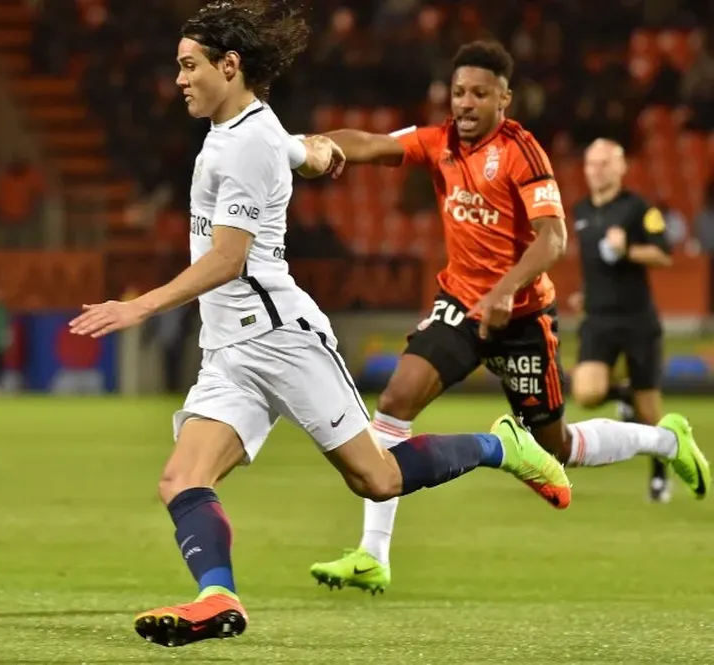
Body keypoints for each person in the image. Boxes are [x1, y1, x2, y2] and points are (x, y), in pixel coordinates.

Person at [70, 4, 572, 648]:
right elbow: (306, 153)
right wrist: (318, 153)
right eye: (178, 67)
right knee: (180, 479)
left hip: (280, 338)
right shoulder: (246, 131)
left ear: (231, 67)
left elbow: (228, 259)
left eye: (190, 66)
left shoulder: (246, 143)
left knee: (378, 476)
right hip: (228, 347)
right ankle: (218, 598)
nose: (180, 80)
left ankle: (502, 447)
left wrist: (140, 305)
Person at [309, 40, 709, 595]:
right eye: (458, 93)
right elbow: (372, 145)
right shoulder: (439, 141)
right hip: (460, 306)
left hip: (522, 317)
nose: (465, 103)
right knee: (396, 402)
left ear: (504, 99)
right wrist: (312, 147)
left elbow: (554, 239)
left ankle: (667, 440)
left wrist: (505, 290)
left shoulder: (523, 152)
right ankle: (373, 555)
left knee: (559, 446)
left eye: (479, 93)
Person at [569, 139, 675, 502]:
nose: (596, 170)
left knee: (650, 410)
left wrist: (626, 249)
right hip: (598, 319)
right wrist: (586, 293)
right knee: (586, 393)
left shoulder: (639, 209)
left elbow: (664, 254)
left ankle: (660, 475)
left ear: (620, 167)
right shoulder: (580, 210)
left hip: (637, 321)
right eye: (591, 164)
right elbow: (593, 266)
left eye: (604, 163)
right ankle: (623, 395)